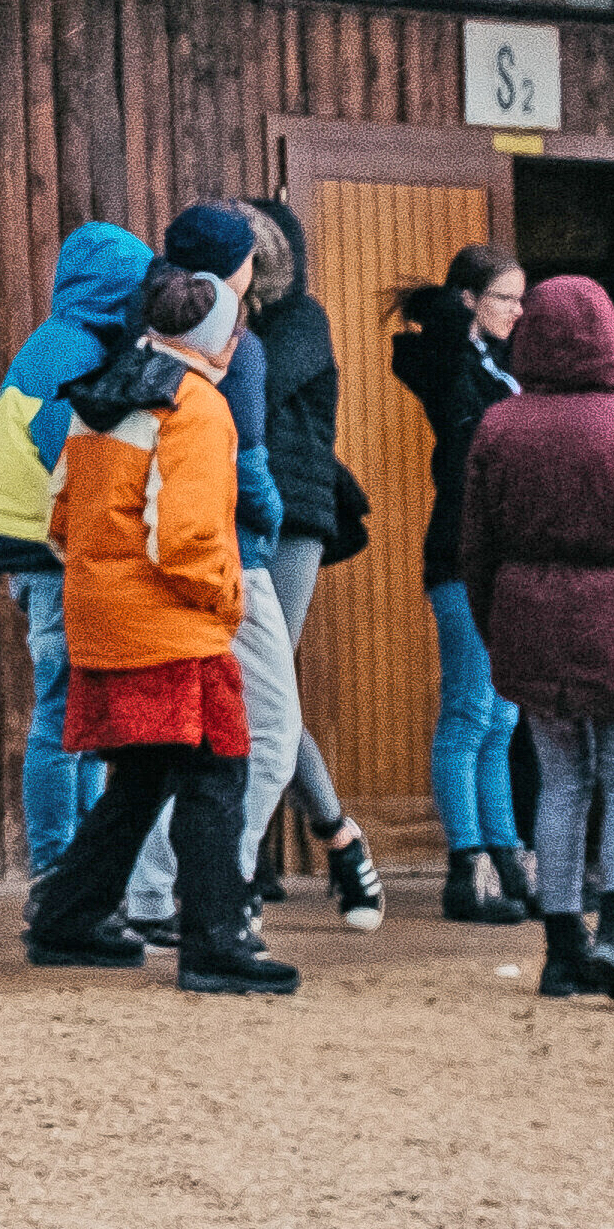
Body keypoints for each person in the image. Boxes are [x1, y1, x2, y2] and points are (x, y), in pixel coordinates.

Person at [16, 264, 292, 993]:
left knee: (139, 779)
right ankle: (215, 941)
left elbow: (59, 518)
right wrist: (228, 598)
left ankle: (68, 917)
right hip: (174, 628)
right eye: (234, 330)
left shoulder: (103, 393)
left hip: (101, 618)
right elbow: (186, 539)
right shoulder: (197, 407)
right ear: (217, 341)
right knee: (214, 772)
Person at [459, 278, 614, 1011]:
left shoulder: (500, 427)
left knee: (561, 780)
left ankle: (561, 947)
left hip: (531, 618)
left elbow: (476, 550)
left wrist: (497, 628)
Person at [0, 221, 158, 893]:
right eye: (139, 286)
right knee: (61, 710)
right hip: (45, 554)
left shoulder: (77, 343)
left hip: (49, 548)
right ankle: (56, 867)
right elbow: (74, 458)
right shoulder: (66, 354)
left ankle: (79, 862)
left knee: (80, 709)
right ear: (116, 291)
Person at [239, 197, 384, 928]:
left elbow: (253, 394)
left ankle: (338, 839)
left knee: (268, 688)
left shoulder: (300, 321)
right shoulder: (232, 321)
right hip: (231, 511)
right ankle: (286, 850)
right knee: (249, 685)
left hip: (292, 515)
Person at [390, 249, 534, 921]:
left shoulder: (493, 365)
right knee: (470, 712)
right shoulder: (448, 359)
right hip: (460, 553)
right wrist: (453, 312)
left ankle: (507, 862)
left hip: (503, 554)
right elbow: (445, 369)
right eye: (504, 298)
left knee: (501, 718)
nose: (517, 311)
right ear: (470, 300)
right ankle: (464, 869)